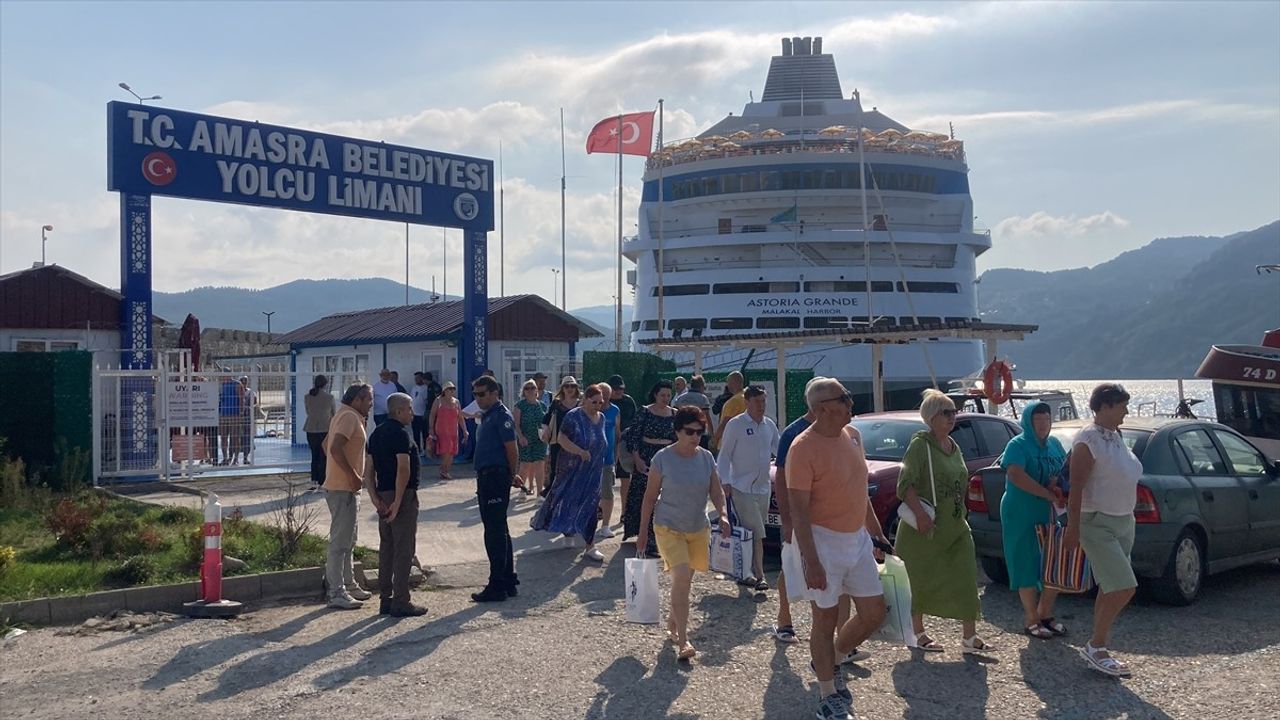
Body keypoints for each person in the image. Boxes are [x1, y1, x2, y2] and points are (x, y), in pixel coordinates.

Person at [788, 378, 888, 720]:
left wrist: (876, 534)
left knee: (875, 613)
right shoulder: (802, 449)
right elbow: (799, 512)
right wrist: (811, 560)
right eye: (843, 398)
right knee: (825, 619)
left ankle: (832, 658)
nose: (850, 402)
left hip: (856, 539)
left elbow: (860, 492)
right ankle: (827, 692)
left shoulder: (854, 437)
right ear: (821, 409)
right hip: (822, 542)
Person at [894, 389, 988, 654]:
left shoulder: (953, 446)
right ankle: (917, 632)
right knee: (920, 579)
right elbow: (905, 485)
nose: (952, 417)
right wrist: (921, 516)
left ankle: (969, 637)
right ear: (931, 417)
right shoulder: (920, 445)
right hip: (925, 528)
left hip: (956, 525)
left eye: (953, 412)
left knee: (966, 576)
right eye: (945, 413)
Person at [636, 405, 731, 662]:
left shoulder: (706, 458)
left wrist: (722, 514)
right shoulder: (662, 459)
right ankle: (684, 640)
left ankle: (673, 620)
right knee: (680, 576)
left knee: (684, 583)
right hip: (668, 527)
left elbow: (716, 490)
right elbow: (649, 498)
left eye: (699, 432)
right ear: (677, 431)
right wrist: (642, 531)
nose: (695, 437)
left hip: (697, 528)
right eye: (689, 431)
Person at [1064, 383, 1141, 677]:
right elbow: (1077, 487)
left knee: (1111, 585)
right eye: (1122, 406)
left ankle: (1099, 645)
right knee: (1124, 586)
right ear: (1105, 406)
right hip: (1096, 521)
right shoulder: (1087, 439)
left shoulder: (1115, 435)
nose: (1126, 412)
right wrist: (1072, 528)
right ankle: (1096, 646)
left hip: (1123, 519)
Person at [999, 401, 1067, 640]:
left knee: (1054, 563)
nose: (1042, 424)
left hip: (1049, 513)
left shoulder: (1055, 444)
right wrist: (1046, 493)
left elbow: (1063, 471)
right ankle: (1031, 618)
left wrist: (1058, 488)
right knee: (1026, 562)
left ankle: (1046, 613)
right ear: (1028, 421)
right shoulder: (1017, 445)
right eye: (1037, 420)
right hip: (1021, 511)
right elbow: (1015, 474)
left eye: (1046, 419)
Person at [364, 392, 426, 617]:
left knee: (387, 548)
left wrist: (375, 498)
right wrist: (398, 502)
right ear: (398, 411)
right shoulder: (401, 434)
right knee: (403, 549)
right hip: (403, 496)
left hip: (383, 494)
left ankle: (386, 598)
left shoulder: (376, 434)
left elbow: (368, 471)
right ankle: (401, 600)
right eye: (409, 408)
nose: (412, 413)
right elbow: (403, 469)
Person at [534, 383, 610, 562]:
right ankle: (567, 531)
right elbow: (561, 438)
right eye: (594, 402)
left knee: (591, 505)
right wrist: (579, 451)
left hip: (593, 471)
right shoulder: (573, 416)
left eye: (601, 402)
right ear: (585, 401)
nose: (598, 406)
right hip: (571, 468)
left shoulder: (602, 418)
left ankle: (590, 545)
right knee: (567, 500)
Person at [716, 384, 780, 590]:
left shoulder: (769, 425)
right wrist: (724, 480)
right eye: (757, 401)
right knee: (757, 531)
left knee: (752, 532)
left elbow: (779, 450)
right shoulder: (736, 425)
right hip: (741, 487)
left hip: (763, 487)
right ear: (747, 402)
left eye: (764, 401)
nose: (761, 405)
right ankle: (760, 576)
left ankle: (745, 571)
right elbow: (724, 455)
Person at [470, 375, 522, 602]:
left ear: (494, 393)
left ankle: (497, 584)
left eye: (481, 394)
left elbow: (511, 449)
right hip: (487, 476)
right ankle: (508, 580)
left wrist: (512, 475)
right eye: (475, 394)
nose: (478, 398)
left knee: (494, 532)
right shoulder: (488, 416)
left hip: (495, 477)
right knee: (500, 529)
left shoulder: (501, 416)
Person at [322, 383, 375, 609]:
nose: (372, 404)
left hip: (345, 486)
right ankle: (336, 591)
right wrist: (352, 474)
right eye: (369, 400)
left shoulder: (345, 415)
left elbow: (326, 445)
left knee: (349, 540)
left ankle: (349, 583)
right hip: (343, 487)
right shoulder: (350, 417)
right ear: (357, 400)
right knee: (340, 542)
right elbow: (334, 448)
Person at [622, 380, 677, 552]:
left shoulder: (675, 414)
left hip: (667, 457)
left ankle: (662, 534)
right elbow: (634, 436)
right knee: (645, 495)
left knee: (665, 496)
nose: (665, 398)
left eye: (668, 395)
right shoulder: (645, 412)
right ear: (655, 394)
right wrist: (637, 458)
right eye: (662, 395)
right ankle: (645, 534)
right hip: (647, 457)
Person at [540, 376, 581, 496]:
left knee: (574, 472)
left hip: (576, 444)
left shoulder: (581, 404)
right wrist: (546, 430)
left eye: (572, 386)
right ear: (562, 388)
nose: (569, 388)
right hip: (558, 443)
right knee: (556, 472)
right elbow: (545, 420)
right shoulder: (556, 404)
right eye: (566, 386)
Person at [608, 375, 638, 518]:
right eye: (615, 389)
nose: (618, 391)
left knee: (625, 478)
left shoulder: (628, 401)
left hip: (625, 443)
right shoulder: (604, 402)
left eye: (621, 388)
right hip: (608, 444)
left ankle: (625, 512)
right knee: (605, 479)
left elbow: (635, 421)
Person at [596, 382, 623, 538]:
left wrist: (616, 457)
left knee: (608, 493)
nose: (604, 399)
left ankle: (605, 525)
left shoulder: (615, 410)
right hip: (590, 460)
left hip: (608, 460)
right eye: (602, 396)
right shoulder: (589, 410)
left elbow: (618, 434)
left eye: (607, 396)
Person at [514, 380, 549, 497]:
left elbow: (546, 422)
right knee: (525, 465)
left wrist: (546, 434)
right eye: (527, 388)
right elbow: (516, 424)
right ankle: (523, 490)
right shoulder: (520, 405)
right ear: (523, 391)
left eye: (532, 388)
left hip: (540, 439)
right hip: (525, 439)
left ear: (537, 390)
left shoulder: (542, 405)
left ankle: (539, 493)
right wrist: (521, 437)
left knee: (540, 464)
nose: (530, 390)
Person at [429, 381, 468, 479]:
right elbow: (432, 415)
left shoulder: (456, 402)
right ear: (444, 391)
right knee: (446, 450)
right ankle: (443, 469)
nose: (452, 391)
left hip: (453, 430)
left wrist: (464, 430)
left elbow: (460, 417)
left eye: (453, 389)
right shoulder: (438, 401)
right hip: (442, 430)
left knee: (452, 451)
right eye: (449, 389)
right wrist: (431, 429)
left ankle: (445, 470)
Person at [304, 374, 335, 489]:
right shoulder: (329, 397)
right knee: (324, 456)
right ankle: (323, 481)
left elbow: (308, 411)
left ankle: (314, 480)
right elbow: (333, 413)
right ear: (325, 384)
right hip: (325, 429)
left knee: (314, 455)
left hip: (311, 428)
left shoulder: (308, 396)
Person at [674, 374, 714, 449]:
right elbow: (707, 417)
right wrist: (712, 435)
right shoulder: (703, 398)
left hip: (683, 431)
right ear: (701, 386)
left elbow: (675, 415)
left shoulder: (680, 398)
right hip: (698, 434)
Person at [713, 371, 747, 450]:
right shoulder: (747, 398)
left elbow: (725, 424)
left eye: (728, 382)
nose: (727, 385)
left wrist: (715, 440)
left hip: (727, 444)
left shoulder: (734, 401)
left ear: (733, 383)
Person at [217, 374, 244, 465]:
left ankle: (235, 458)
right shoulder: (221, 385)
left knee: (235, 437)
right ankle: (225, 458)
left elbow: (241, 399)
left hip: (234, 414)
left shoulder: (237, 384)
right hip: (223, 414)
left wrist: (241, 412)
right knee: (223, 437)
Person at [410, 372, 432, 455]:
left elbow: (427, 401)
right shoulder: (414, 388)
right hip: (414, 415)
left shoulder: (426, 388)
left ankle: (426, 450)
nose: (416, 380)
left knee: (425, 433)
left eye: (418, 378)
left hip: (423, 415)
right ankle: (417, 450)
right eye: (415, 378)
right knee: (416, 433)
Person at [238, 376, 257, 464]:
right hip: (238, 417)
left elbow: (255, 403)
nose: (244, 383)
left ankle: (246, 457)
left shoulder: (251, 392)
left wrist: (250, 408)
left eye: (246, 381)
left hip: (248, 418)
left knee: (247, 438)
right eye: (242, 381)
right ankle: (235, 458)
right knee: (237, 438)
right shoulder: (236, 392)